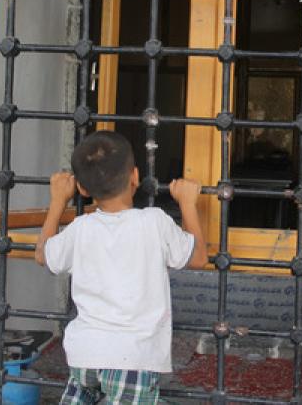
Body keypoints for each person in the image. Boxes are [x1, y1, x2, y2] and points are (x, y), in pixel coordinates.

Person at [35, 131, 207, 404]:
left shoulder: (81, 227)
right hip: (134, 357)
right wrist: (188, 204)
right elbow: (198, 257)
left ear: (81, 188)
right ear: (136, 176)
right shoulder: (154, 222)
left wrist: (57, 201)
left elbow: (44, 255)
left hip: (85, 354)